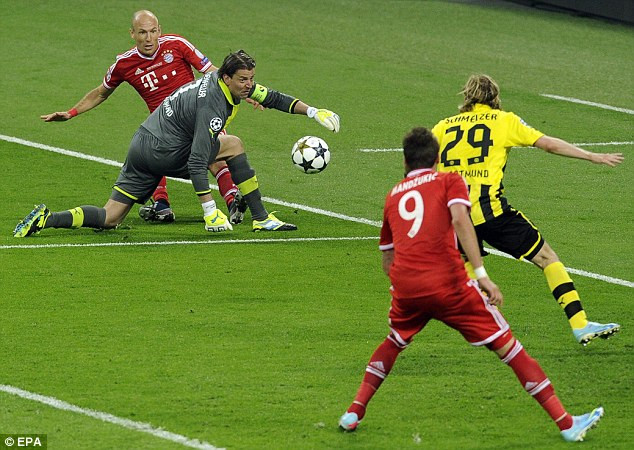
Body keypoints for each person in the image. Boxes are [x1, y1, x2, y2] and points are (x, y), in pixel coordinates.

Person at [338, 127, 603, 442]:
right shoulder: (449, 180)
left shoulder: (393, 195)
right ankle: (566, 423)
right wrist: (481, 274)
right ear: (437, 158)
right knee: (510, 348)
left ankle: (353, 412)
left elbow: (387, 259)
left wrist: (408, 286)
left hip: (407, 287)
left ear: (405, 161)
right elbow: (461, 220)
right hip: (449, 285)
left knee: (394, 341)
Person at [14, 50, 340, 237]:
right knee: (233, 144)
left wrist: (313, 111)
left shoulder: (221, 82)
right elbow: (197, 161)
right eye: (244, 80)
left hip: (140, 146)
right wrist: (209, 211)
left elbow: (273, 97)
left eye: (251, 79)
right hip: (163, 151)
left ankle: (47, 218)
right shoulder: (213, 104)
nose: (249, 85)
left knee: (111, 217)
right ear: (227, 77)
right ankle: (261, 217)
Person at [432, 74, 623, 346]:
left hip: (453, 217)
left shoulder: (443, 126)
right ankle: (580, 324)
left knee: (467, 265)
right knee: (546, 257)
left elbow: (423, 166)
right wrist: (591, 156)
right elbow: (548, 144)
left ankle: (487, 327)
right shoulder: (503, 120)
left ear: (466, 96)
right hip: (492, 213)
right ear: (495, 97)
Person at [40, 10, 247, 225]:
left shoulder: (177, 45)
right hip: (164, 129)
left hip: (197, 115)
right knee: (158, 156)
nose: (148, 38)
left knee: (215, 152)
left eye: (152, 31)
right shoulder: (124, 64)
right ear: (132, 33)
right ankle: (164, 204)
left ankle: (231, 202)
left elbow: (213, 72)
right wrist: (72, 112)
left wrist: (243, 90)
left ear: (159, 31)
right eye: (142, 33)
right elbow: (101, 92)